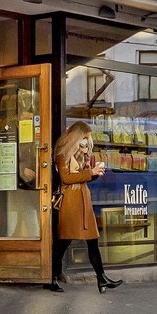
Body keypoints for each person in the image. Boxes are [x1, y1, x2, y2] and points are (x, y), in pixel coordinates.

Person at [47, 122, 122, 293]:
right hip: (70, 202)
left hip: (83, 200)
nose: (87, 141)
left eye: (88, 138)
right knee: (63, 242)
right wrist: (90, 172)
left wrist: (94, 171)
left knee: (92, 239)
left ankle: (101, 278)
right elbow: (66, 178)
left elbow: (84, 177)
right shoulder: (62, 154)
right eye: (84, 137)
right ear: (76, 136)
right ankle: (52, 277)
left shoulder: (81, 154)